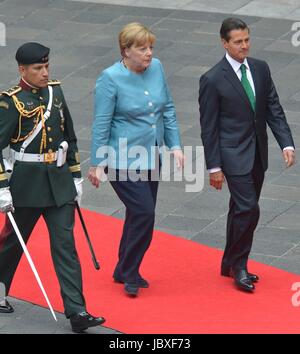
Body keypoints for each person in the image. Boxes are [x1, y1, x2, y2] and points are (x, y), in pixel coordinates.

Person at [0, 42, 105, 333]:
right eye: (38, 68)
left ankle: (77, 311)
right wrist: (2, 187)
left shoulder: (54, 92)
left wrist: (75, 176)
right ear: (22, 69)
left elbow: (68, 136)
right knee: (12, 244)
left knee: (66, 246)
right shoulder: (10, 102)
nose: (45, 73)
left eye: (47, 66)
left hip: (59, 184)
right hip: (26, 184)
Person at [199, 18, 295, 292]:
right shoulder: (213, 78)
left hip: (257, 153)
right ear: (224, 43)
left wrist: (286, 143)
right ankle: (239, 265)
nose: (244, 46)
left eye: (247, 40)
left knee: (239, 209)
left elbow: (273, 108)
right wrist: (213, 167)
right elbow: (208, 128)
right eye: (238, 42)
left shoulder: (260, 69)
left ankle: (228, 261)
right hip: (231, 154)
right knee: (248, 208)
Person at [88, 23, 184, 297]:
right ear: (125, 51)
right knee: (144, 212)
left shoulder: (158, 68)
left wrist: (174, 145)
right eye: (142, 49)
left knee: (138, 215)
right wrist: (97, 162)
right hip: (121, 160)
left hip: (151, 156)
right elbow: (101, 123)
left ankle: (122, 268)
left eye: (151, 47)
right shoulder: (110, 78)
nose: (149, 53)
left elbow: (167, 109)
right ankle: (130, 270)